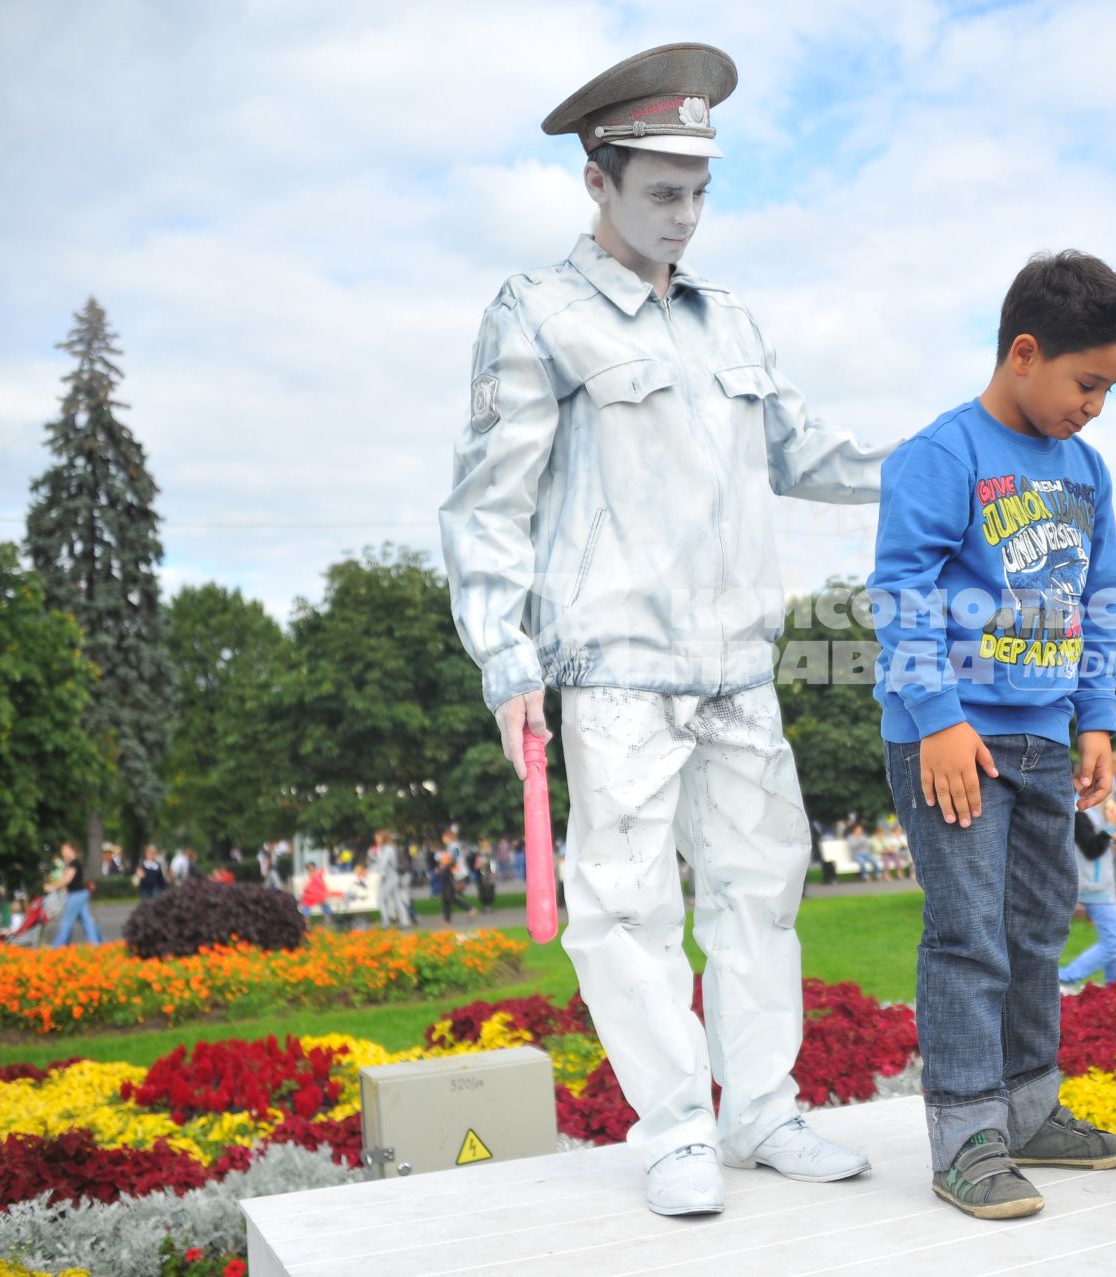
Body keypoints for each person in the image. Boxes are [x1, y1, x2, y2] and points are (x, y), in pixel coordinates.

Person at [438, 43, 884, 1218]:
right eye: (661, 192)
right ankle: (677, 1122)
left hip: (739, 665)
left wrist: (955, 456)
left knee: (759, 888)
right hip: (612, 666)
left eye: (700, 192)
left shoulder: (729, 320)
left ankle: (763, 1110)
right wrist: (505, 657)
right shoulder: (537, 312)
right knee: (627, 903)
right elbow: (487, 503)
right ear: (598, 180)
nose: (685, 216)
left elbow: (809, 453)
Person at [870, 249, 1116, 1219]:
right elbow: (898, 594)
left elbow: (1100, 598)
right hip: (951, 742)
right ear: (1023, 353)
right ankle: (967, 1136)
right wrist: (939, 719)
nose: (1096, 406)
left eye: (1111, 387)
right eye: (1088, 382)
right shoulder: (943, 455)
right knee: (969, 935)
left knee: (1036, 930)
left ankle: (1030, 1110)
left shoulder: (1087, 469)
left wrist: (1097, 717)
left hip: (1042, 735)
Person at [1058, 809, 1116, 992]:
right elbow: (1091, 849)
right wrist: (1111, 827)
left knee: (1112, 941)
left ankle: (1115, 985)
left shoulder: (1092, 810)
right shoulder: (1078, 811)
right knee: (1113, 943)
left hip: (1102, 886)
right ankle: (1064, 977)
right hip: (1095, 887)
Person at [48, 843, 103, 947]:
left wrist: (52, 886)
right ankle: (96, 943)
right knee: (87, 921)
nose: (63, 853)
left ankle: (57, 947)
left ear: (72, 850)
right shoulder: (73, 864)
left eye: (64, 850)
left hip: (76, 895)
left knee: (66, 921)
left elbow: (68, 879)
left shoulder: (74, 863)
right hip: (80, 894)